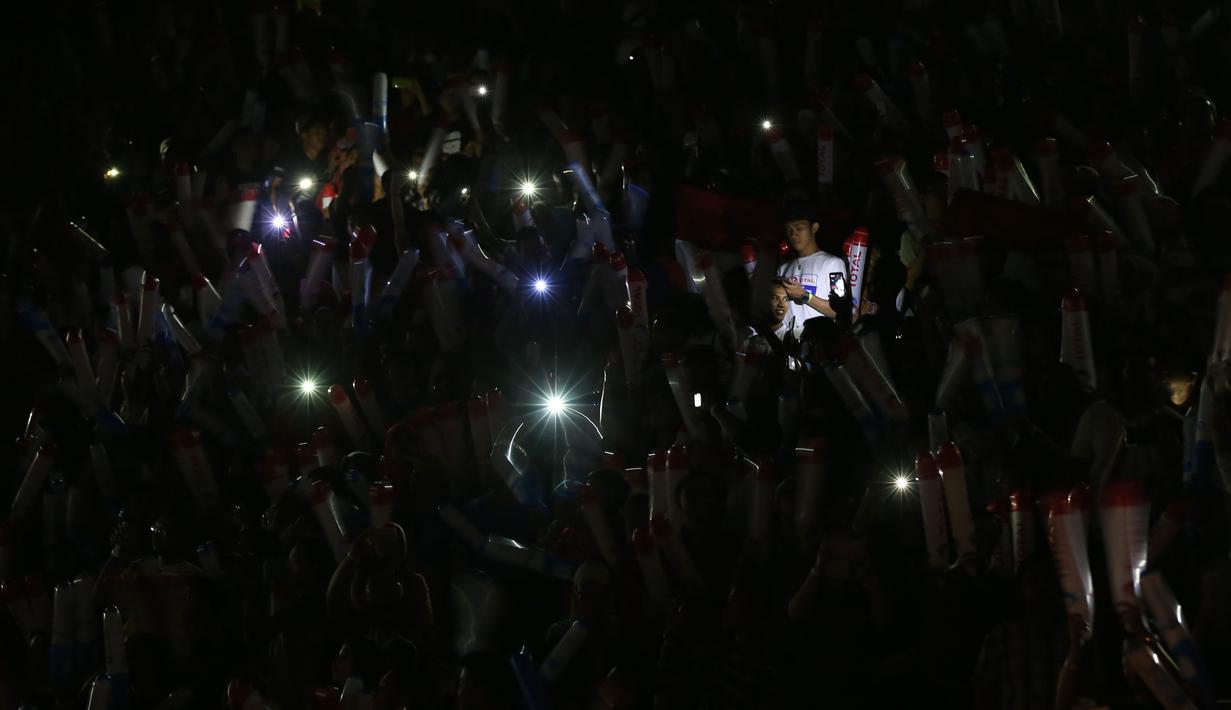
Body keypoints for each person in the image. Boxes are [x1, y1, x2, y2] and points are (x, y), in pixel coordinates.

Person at [776, 203, 847, 336]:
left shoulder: (834, 264)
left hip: (817, 347)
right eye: (789, 230)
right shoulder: (783, 269)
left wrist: (804, 295)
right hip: (785, 347)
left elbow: (840, 311)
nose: (794, 234)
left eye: (799, 228)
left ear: (814, 227)